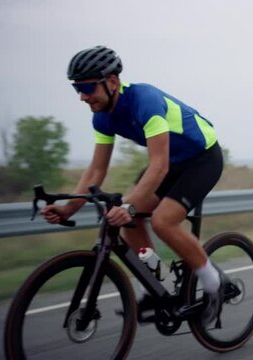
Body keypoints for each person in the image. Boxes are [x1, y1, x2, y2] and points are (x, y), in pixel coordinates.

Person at [41, 45, 224, 324]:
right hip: (172, 163)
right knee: (130, 221)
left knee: (163, 221)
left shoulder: (144, 100)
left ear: (112, 81)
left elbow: (158, 165)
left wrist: (129, 205)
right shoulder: (102, 117)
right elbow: (96, 169)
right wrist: (69, 209)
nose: (82, 96)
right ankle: (157, 284)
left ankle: (214, 285)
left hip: (202, 159)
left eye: (88, 87)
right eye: (76, 89)